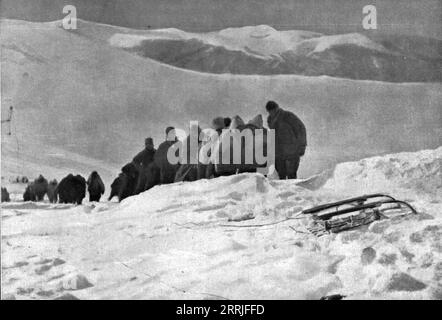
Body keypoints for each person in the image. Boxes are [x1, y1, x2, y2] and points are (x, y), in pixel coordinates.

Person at [266, 100, 306, 179]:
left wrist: (302, 146)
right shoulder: (270, 120)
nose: (272, 112)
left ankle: (293, 191)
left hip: (292, 151)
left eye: (273, 110)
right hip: (278, 153)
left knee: (291, 175)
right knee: (281, 175)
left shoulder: (288, 116)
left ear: (277, 108)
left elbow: (301, 129)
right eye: (270, 111)